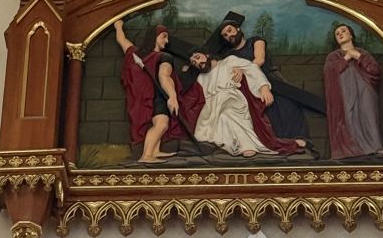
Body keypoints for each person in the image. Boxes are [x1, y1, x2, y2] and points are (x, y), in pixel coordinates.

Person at [189, 51, 305, 157]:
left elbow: (251, 68)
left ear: (207, 55)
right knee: (214, 124)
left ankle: (247, 145)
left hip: (232, 100)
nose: (198, 63)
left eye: (198, 58)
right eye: (194, 63)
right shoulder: (200, 78)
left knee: (227, 113)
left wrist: (263, 87)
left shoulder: (229, 61)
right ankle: (235, 145)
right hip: (212, 109)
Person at [219, 20, 308, 139]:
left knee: (289, 106)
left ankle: (300, 140)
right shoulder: (229, 56)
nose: (229, 35)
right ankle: (279, 143)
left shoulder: (255, 41)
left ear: (238, 29)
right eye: (225, 35)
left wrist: (242, 70)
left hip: (272, 78)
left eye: (230, 30)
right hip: (252, 86)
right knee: (267, 114)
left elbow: (260, 60)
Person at [114, 20, 180, 164]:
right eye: (164, 36)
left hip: (147, 96)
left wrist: (118, 26)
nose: (167, 41)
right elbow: (164, 76)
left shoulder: (135, 53)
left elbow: (122, 40)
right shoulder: (164, 56)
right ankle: (147, 155)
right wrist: (172, 96)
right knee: (162, 124)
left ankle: (155, 151)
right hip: (158, 95)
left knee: (160, 122)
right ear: (154, 37)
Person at [323, 23, 383, 159]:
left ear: (351, 35)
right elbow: (329, 72)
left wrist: (358, 56)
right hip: (344, 92)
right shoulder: (333, 56)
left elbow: (375, 70)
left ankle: (375, 147)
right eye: (337, 34)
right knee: (348, 117)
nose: (340, 34)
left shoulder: (363, 53)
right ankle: (351, 150)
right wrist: (346, 58)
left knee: (368, 115)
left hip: (365, 89)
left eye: (343, 31)